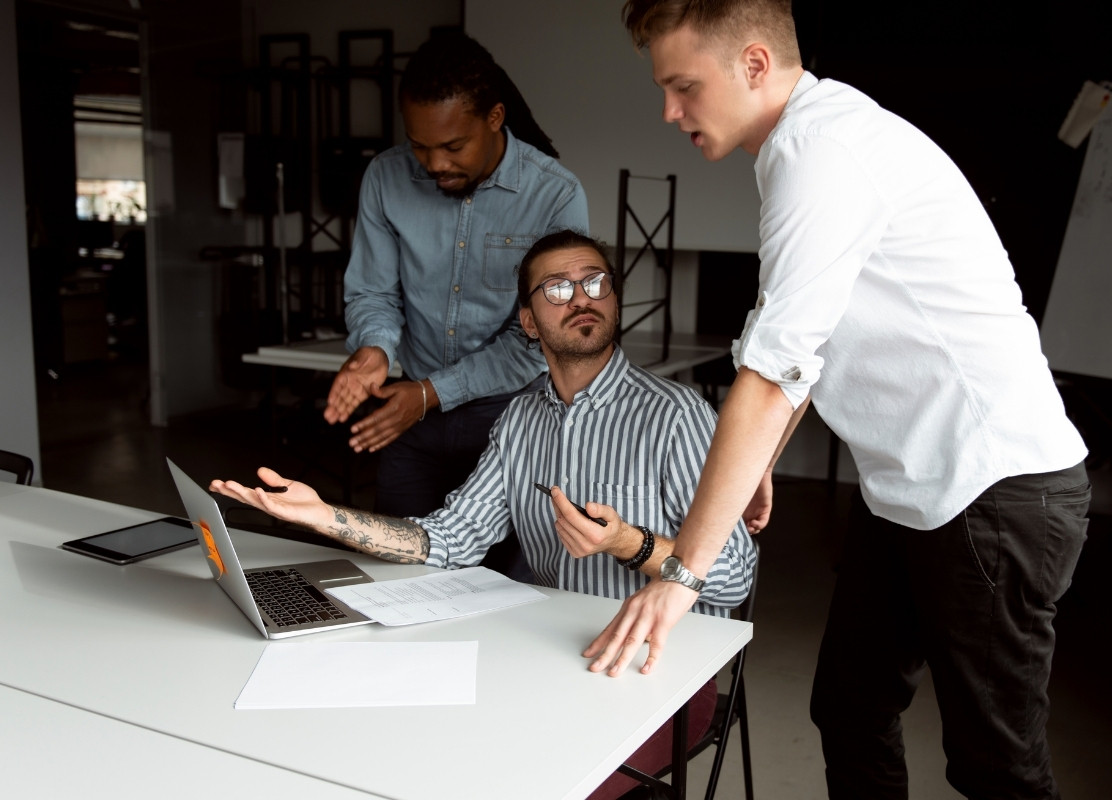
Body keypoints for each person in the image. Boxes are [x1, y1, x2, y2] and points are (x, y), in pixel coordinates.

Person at [596, 3, 1093, 799]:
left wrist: (680, 575)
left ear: (754, 64)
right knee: (851, 707)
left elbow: (769, 376)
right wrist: (764, 457)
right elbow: (801, 343)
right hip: (913, 491)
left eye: (683, 86)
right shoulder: (805, 145)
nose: (669, 111)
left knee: (996, 768)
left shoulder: (820, 151)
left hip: (993, 491)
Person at [213, 230, 757, 800]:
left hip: (656, 674)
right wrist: (325, 516)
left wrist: (630, 543)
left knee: (537, 780)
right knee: (423, 748)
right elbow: (448, 539)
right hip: (546, 652)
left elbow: (736, 575)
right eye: (558, 288)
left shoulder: (677, 415)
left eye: (596, 282)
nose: (582, 298)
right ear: (527, 322)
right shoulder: (520, 421)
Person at [325, 32, 589, 533]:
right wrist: (376, 350)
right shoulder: (385, 177)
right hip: (409, 419)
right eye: (420, 145)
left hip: (511, 421)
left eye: (453, 146)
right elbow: (374, 292)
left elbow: (539, 339)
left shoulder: (555, 195)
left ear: (494, 118)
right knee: (400, 574)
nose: (435, 164)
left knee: (506, 586)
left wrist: (430, 393)